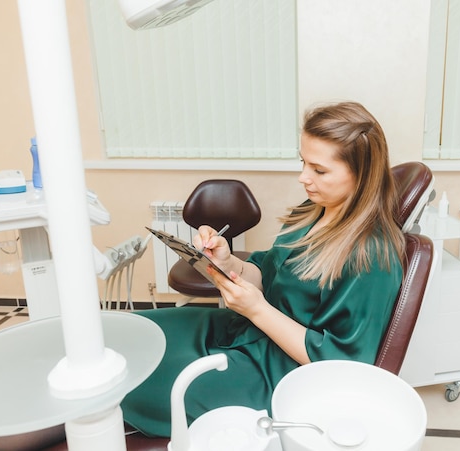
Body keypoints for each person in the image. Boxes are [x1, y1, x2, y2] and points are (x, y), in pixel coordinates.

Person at [121, 101, 406, 437]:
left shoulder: (372, 256)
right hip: (247, 332)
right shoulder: (314, 210)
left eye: (319, 170)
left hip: (279, 374)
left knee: (142, 379)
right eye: (303, 162)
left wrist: (257, 310)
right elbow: (268, 272)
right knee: (132, 334)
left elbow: (338, 364)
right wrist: (228, 262)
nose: (303, 178)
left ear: (362, 176)